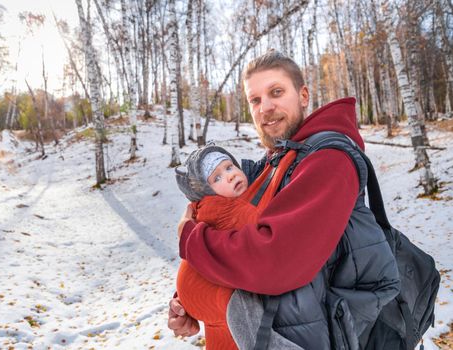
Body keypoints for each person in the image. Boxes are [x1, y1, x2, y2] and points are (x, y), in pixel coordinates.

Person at [168, 50, 400, 349]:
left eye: (276, 92)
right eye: (255, 100)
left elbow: (274, 261)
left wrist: (191, 239)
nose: (265, 107)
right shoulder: (277, 161)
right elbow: (234, 233)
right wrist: (191, 299)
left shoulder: (329, 160)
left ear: (303, 95)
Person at [174, 144, 299, 350]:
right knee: (249, 321)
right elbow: (265, 213)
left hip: (197, 291)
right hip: (213, 291)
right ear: (205, 191)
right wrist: (288, 158)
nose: (230, 176)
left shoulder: (205, 207)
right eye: (217, 178)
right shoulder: (227, 207)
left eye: (229, 167)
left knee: (223, 341)